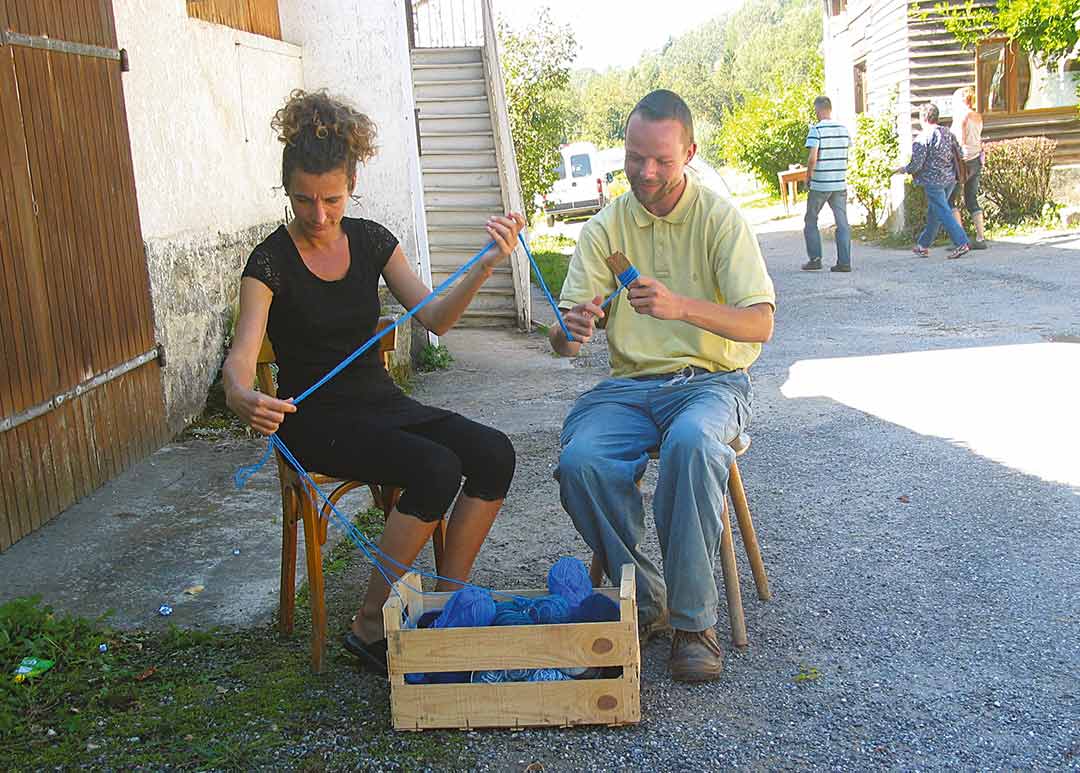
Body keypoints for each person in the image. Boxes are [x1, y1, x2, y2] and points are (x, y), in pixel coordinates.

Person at [223, 90, 524, 674]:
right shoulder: (269, 263)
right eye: (304, 200)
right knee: (434, 467)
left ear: (352, 182)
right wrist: (241, 396)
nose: (318, 215)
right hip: (312, 421)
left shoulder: (370, 240)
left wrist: (487, 262)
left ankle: (440, 606)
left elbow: (434, 317)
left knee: (493, 453)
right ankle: (368, 628)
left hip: (377, 404)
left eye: (332, 199)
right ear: (287, 189)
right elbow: (241, 355)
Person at [549, 90, 776, 683]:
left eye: (662, 161)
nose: (646, 173)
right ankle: (647, 597)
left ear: (690, 154)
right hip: (629, 389)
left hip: (711, 382)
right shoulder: (605, 230)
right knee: (580, 461)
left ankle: (694, 623)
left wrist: (680, 308)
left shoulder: (720, 219)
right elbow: (566, 343)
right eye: (634, 157)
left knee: (693, 445)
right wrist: (570, 330)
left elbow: (761, 324)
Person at [894, 102, 971, 260]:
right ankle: (923, 245)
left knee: (943, 211)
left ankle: (961, 242)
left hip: (933, 181)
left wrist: (904, 169)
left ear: (923, 118)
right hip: (950, 178)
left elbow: (917, 163)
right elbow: (959, 152)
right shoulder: (947, 133)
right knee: (935, 212)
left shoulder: (923, 137)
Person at [801, 96, 852, 272]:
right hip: (839, 183)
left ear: (818, 110)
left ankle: (815, 259)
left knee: (811, 219)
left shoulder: (816, 130)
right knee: (842, 222)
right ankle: (844, 262)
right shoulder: (843, 129)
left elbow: (812, 158)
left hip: (821, 184)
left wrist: (808, 177)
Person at [949, 86, 988, 249]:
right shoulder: (977, 116)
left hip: (962, 163)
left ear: (961, 100)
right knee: (972, 199)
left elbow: (959, 140)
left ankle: (961, 240)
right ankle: (980, 238)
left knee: (951, 200)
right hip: (976, 159)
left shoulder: (961, 117)